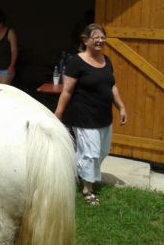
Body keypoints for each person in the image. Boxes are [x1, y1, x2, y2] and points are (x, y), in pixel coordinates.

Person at [55, 23, 128, 206]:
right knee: (90, 154)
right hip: (84, 116)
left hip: (104, 116)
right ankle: (88, 189)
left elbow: (112, 86)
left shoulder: (106, 60)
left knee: (102, 152)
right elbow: (67, 91)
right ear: (85, 40)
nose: (100, 41)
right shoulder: (76, 62)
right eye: (96, 37)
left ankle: (80, 173)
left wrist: (121, 107)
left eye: (103, 37)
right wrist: (58, 114)